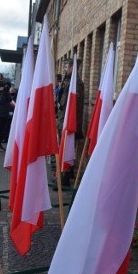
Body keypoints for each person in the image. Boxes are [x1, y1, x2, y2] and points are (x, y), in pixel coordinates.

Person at [56, 58, 85, 186]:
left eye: (67, 66)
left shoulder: (76, 83)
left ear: (73, 67)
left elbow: (73, 106)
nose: (65, 69)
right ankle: (66, 173)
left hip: (68, 122)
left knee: (67, 148)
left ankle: (65, 178)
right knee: (65, 148)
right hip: (63, 120)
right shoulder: (68, 81)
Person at [0, 78, 12, 151]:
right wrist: (2, 92)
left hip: (4, 115)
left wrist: (5, 92)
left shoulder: (5, 93)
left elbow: (9, 100)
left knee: (2, 131)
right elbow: (0, 100)